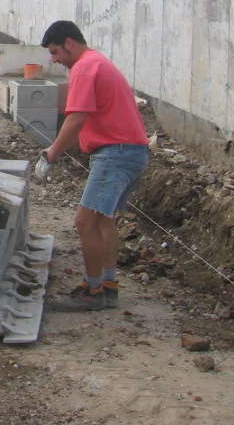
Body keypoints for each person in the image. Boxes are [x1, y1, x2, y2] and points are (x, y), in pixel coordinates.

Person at [38, 20, 150, 311]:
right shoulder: (98, 61)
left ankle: (93, 292)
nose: (54, 59)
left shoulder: (85, 67)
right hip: (132, 151)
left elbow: (76, 118)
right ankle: (108, 286)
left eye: (55, 52)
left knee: (85, 222)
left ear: (69, 43)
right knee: (103, 219)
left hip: (116, 153)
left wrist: (51, 155)